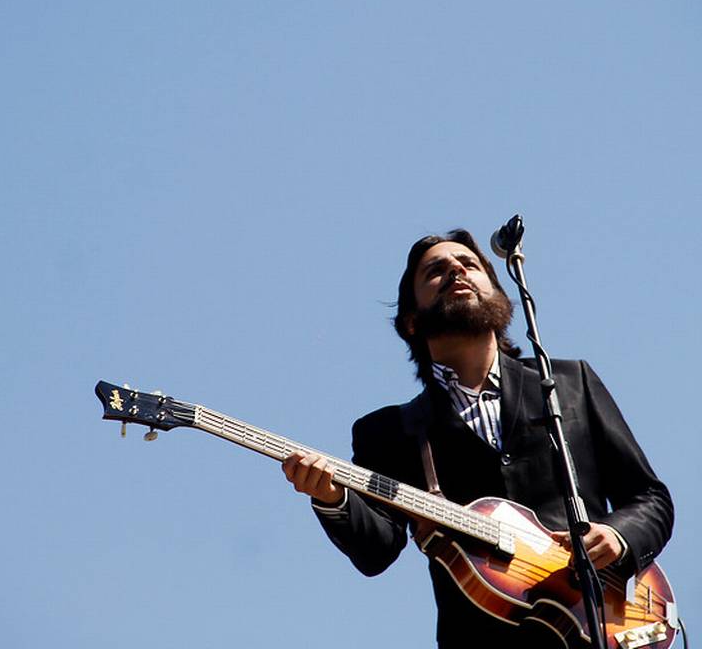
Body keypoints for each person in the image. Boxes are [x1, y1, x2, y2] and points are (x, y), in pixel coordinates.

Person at [282, 229, 673, 647]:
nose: (456, 269)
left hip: (601, 624)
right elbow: (376, 549)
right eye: (435, 271)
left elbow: (649, 498)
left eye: (469, 264)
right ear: (412, 321)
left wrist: (618, 537)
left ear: (499, 298)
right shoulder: (389, 431)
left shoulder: (568, 383)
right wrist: (331, 498)